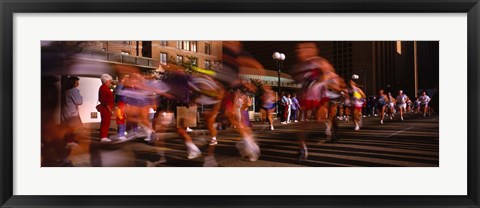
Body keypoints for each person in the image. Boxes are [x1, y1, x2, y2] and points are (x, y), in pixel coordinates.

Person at [97, 74, 115, 143]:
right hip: (106, 108)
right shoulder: (104, 88)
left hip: (106, 107)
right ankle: (103, 136)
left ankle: (104, 136)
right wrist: (109, 108)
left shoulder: (104, 87)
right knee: (105, 122)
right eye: (109, 81)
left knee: (106, 122)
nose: (110, 82)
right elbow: (103, 100)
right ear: (106, 81)